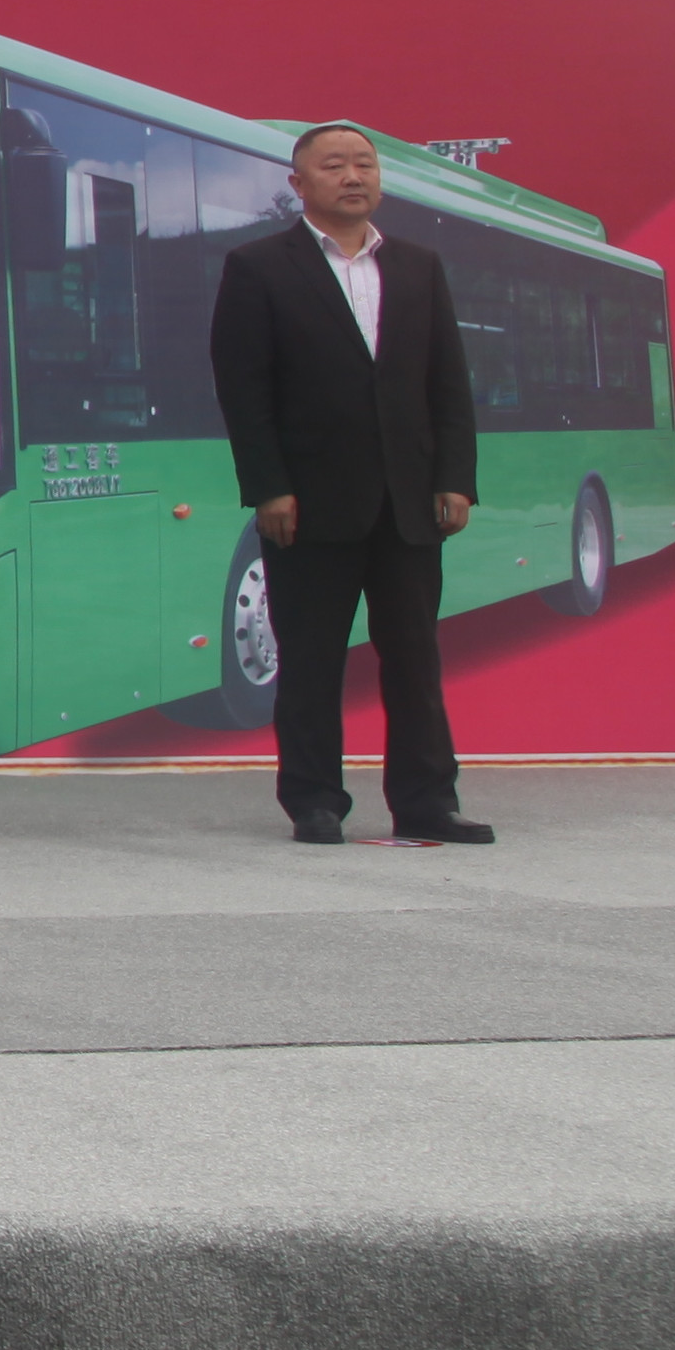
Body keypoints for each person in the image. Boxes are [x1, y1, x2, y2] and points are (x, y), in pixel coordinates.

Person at [209, 120, 491, 845]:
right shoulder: (259, 267)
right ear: (298, 183)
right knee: (310, 660)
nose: (353, 176)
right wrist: (269, 487)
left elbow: (447, 382)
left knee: (415, 660)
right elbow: (244, 389)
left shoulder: (418, 266)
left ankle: (428, 801)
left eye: (364, 163)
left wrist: (455, 478)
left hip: (408, 501)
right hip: (307, 503)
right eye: (334, 165)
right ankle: (314, 800)